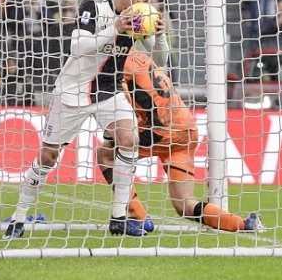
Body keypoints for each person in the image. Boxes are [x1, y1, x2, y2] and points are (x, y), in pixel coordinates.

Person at [4, 0, 169, 239]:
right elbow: (77, 47)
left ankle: (118, 218)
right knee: (48, 156)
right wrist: (115, 28)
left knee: (129, 139)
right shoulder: (93, 5)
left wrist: (160, 36)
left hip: (109, 90)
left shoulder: (140, 18)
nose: (141, 0)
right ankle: (19, 217)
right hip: (73, 90)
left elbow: (161, 61)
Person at [97, 51, 264, 233]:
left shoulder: (117, 67)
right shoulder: (141, 56)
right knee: (184, 203)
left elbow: (122, 104)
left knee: (106, 156)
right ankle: (245, 224)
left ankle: (138, 217)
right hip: (186, 128)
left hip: (160, 131)